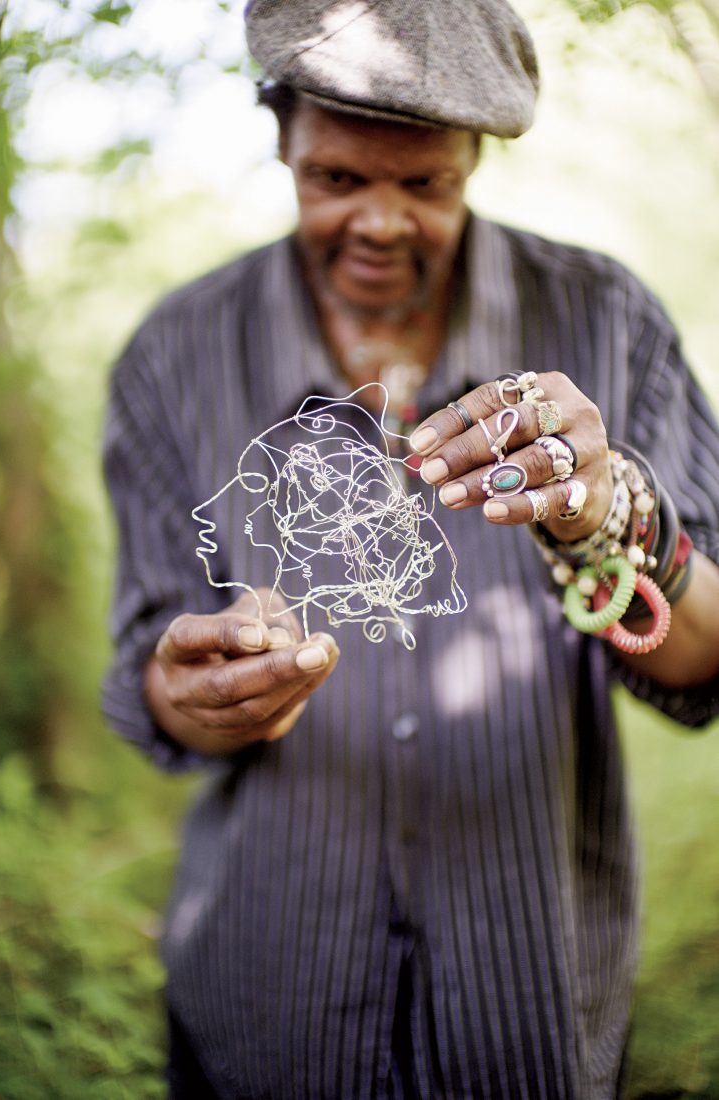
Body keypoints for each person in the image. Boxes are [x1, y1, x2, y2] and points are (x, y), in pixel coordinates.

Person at [102, 1, 719, 1096]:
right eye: (336, 178)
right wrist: (183, 688)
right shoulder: (174, 355)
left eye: (423, 184)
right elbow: (149, 655)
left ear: (474, 159)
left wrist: (602, 511)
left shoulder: (605, 320)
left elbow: (705, 657)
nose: (380, 223)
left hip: (525, 1015)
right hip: (265, 1017)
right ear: (278, 135)